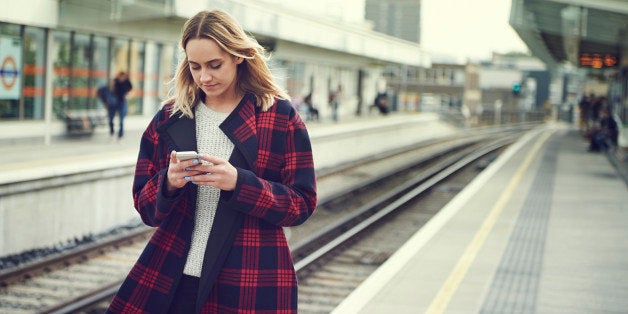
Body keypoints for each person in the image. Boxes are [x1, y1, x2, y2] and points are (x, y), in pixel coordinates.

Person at [107, 10, 317, 313]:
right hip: (172, 279)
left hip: (246, 283)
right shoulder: (170, 118)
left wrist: (239, 184)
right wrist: (168, 182)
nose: (204, 76)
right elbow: (145, 206)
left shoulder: (278, 117)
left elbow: (302, 203)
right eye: (195, 67)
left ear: (238, 57)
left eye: (214, 65)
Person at [109, 71, 132, 141]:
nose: (122, 78)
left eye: (123, 77)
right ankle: (112, 132)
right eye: (121, 77)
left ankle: (120, 135)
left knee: (121, 119)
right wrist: (112, 85)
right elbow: (111, 90)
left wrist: (128, 96)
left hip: (123, 102)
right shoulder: (115, 81)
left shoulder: (127, 82)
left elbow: (130, 90)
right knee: (111, 118)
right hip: (114, 102)